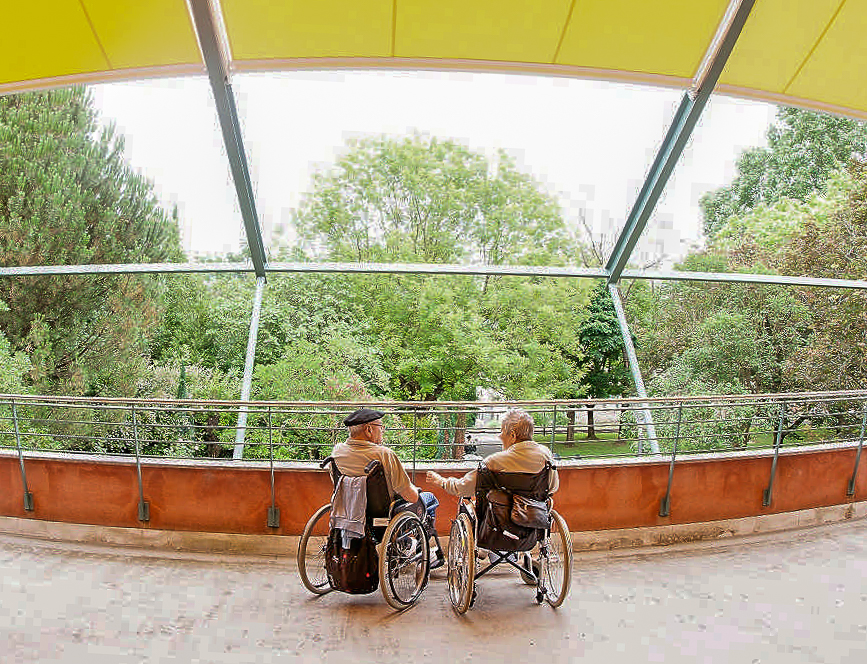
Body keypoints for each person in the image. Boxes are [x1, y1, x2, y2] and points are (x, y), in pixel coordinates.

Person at [331, 407, 444, 569]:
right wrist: (416, 490)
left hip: (351, 511)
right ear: (369, 429)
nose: (382, 431)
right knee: (429, 499)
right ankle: (415, 549)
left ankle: (406, 546)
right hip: (385, 515)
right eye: (381, 427)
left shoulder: (337, 452)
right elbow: (410, 496)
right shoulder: (384, 454)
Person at [426, 408, 558, 498]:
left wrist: (442, 481)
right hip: (534, 520)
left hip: (499, 525)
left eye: (502, 431)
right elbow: (552, 488)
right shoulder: (546, 455)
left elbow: (463, 488)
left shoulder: (495, 461)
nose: (500, 436)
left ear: (512, 435)